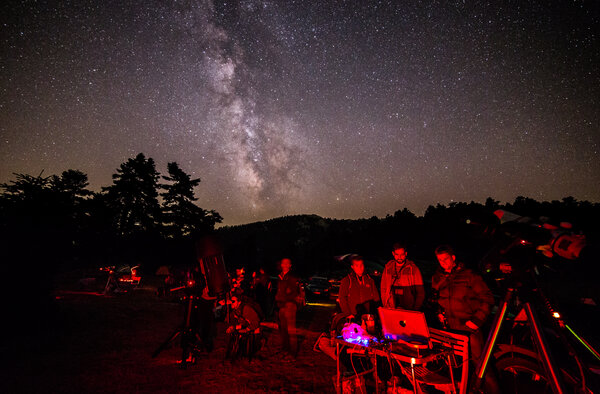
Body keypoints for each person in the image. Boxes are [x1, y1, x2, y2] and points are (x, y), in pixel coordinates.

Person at [432, 244, 499, 393]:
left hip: (469, 328)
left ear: (453, 258)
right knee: (459, 368)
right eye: (440, 260)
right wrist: (439, 312)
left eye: (446, 259)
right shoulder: (438, 278)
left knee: (482, 366)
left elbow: (488, 299)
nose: (443, 263)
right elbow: (437, 299)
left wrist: (476, 321)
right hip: (451, 329)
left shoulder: (469, 275)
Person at [380, 242, 425, 310]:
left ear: (406, 254)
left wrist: (415, 309)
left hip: (408, 308)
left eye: (402, 254)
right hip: (391, 307)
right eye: (397, 254)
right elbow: (383, 288)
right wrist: (385, 304)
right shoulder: (388, 268)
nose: (399, 257)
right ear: (393, 254)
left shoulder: (413, 269)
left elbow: (420, 292)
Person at [338, 255, 380, 320]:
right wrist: (348, 314)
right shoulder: (347, 281)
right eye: (357, 266)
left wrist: (376, 312)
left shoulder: (369, 280)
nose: (359, 268)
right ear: (352, 267)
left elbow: (376, 298)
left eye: (361, 265)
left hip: (367, 316)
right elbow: (342, 299)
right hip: (353, 316)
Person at [275, 257, 301, 359]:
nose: (285, 265)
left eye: (287, 263)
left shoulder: (292, 277)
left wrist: (284, 298)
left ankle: (293, 352)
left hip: (290, 305)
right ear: (281, 265)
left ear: (290, 265)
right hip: (281, 305)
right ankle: (285, 349)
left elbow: (294, 292)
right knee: (283, 329)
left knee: (291, 330)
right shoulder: (280, 276)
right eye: (283, 263)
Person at [225, 292, 263, 361]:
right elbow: (241, 322)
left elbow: (256, 322)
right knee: (234, 334)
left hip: (255, 328)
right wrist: (233, 327)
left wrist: (247, 329)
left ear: (239, 302)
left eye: (233, 301)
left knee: (248, 349)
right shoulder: (235, 311)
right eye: (231, 301)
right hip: (247, 325)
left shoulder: (246, 309)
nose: (231, 303)